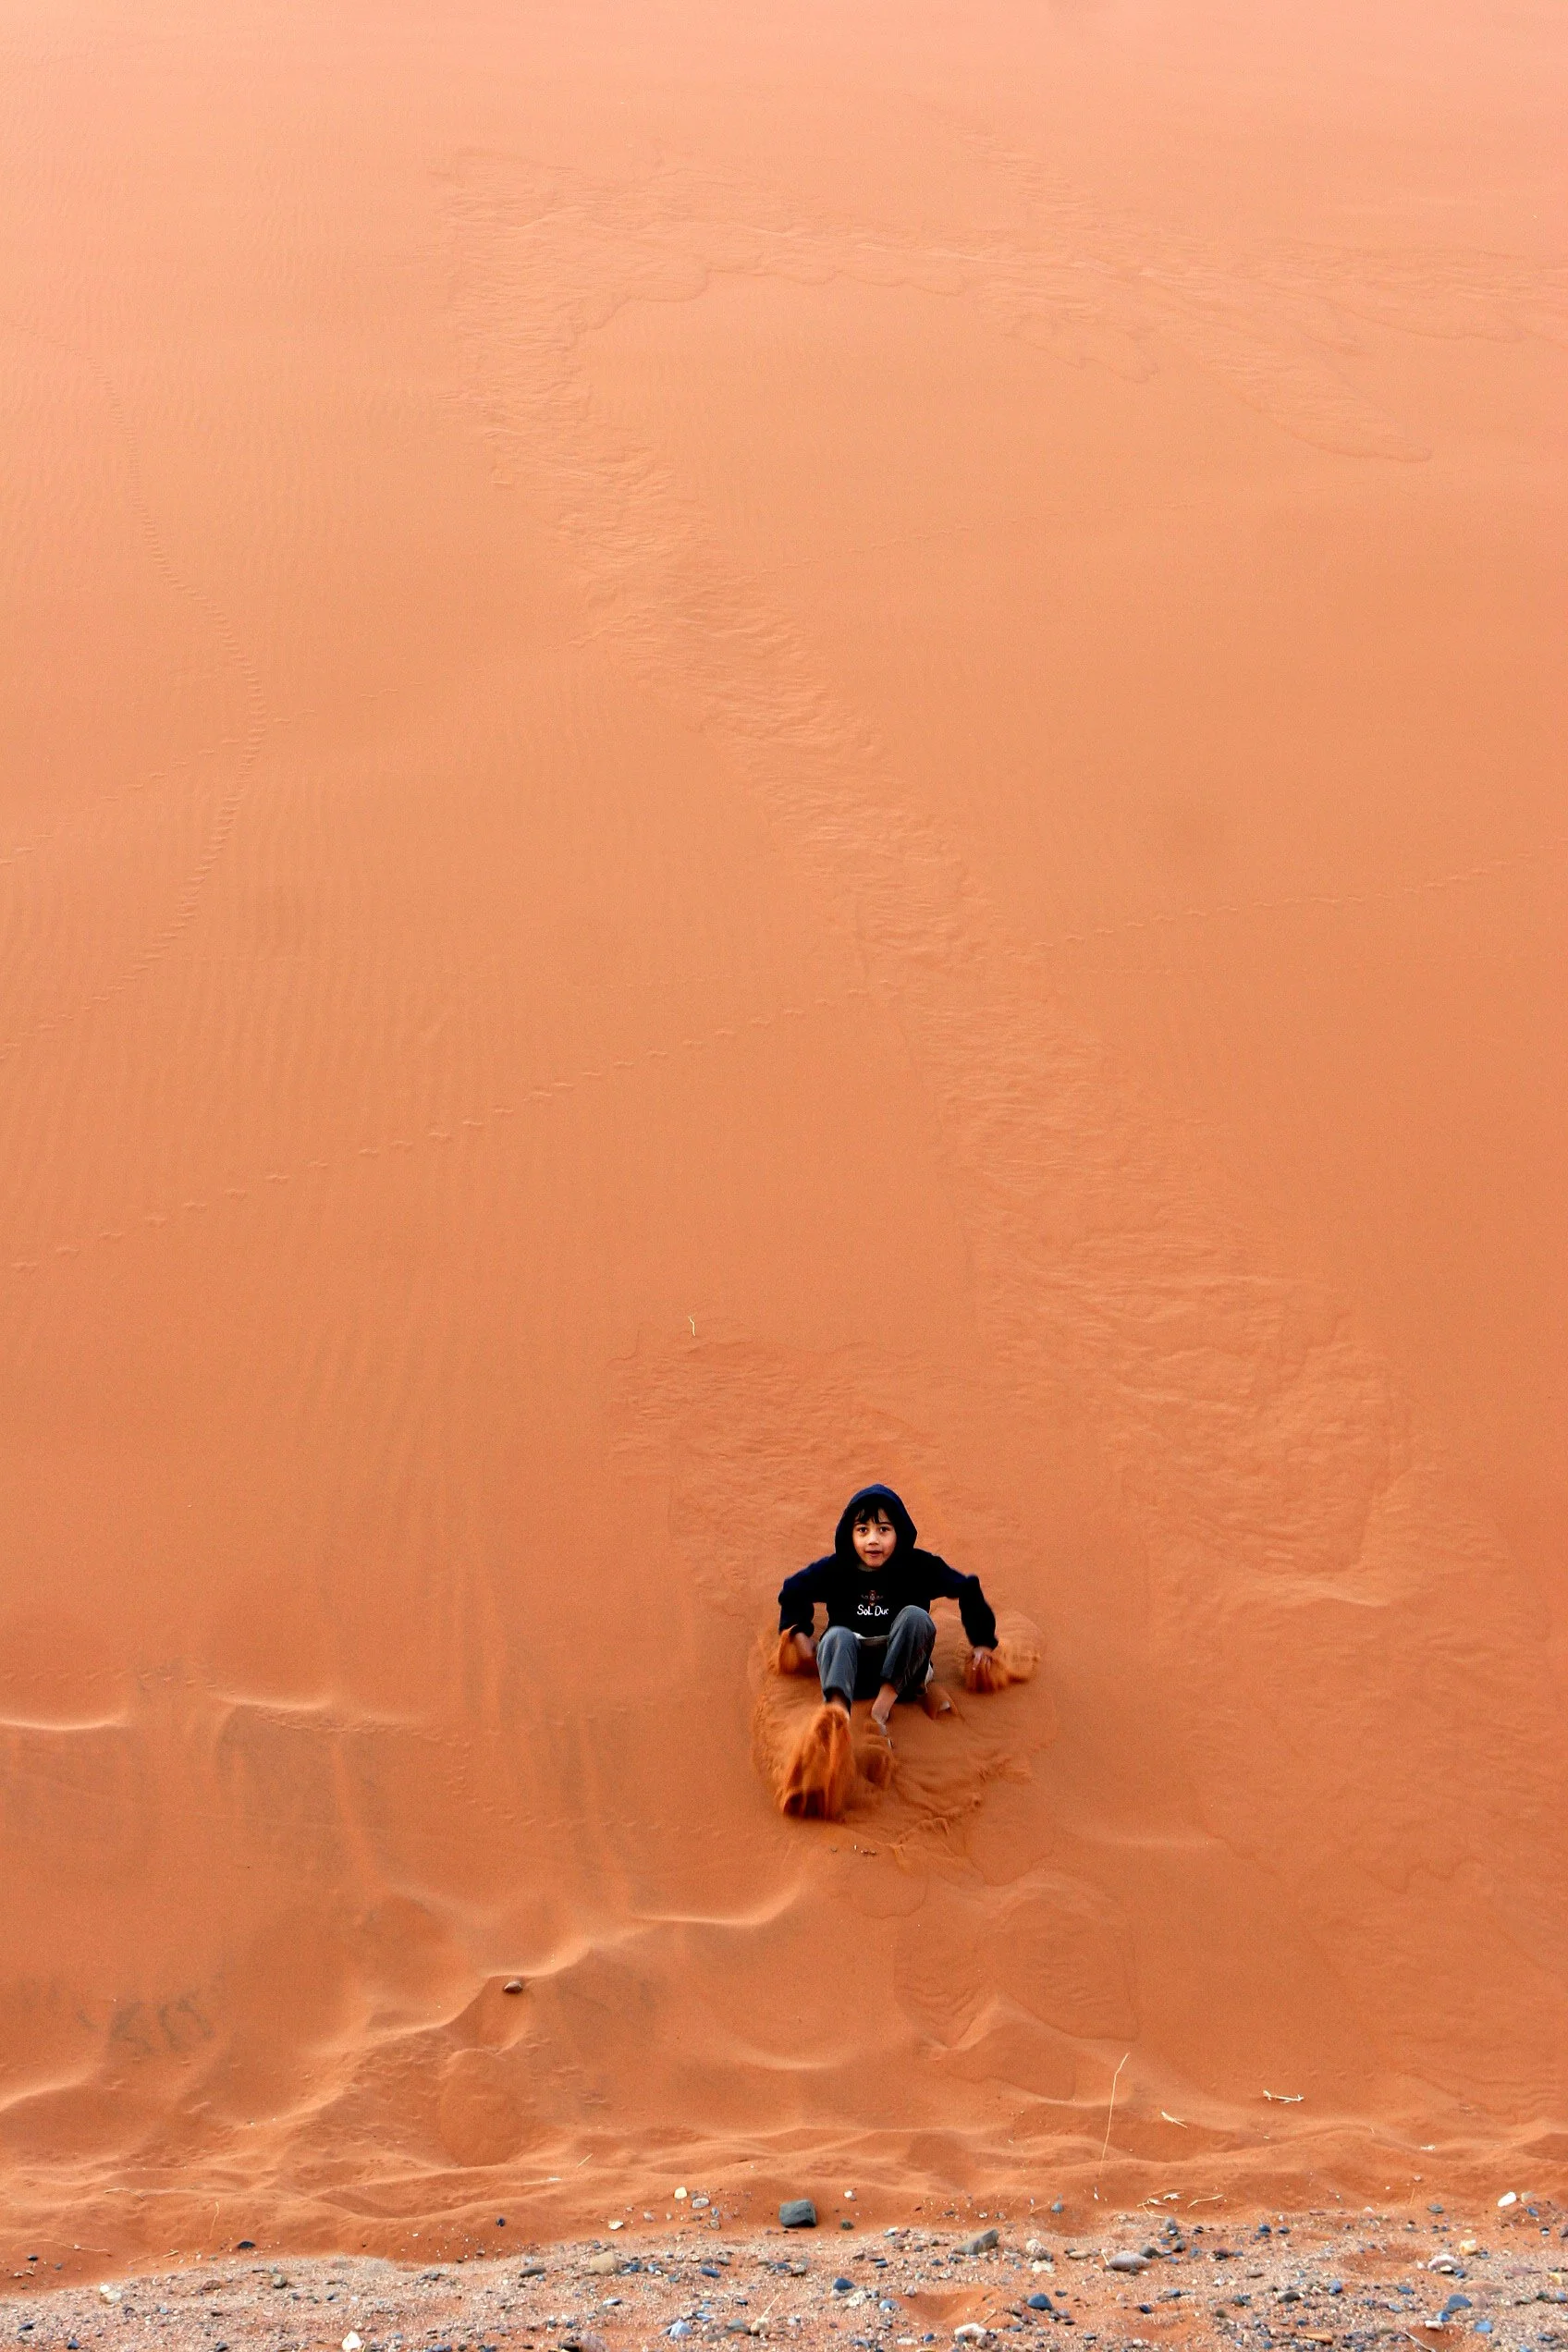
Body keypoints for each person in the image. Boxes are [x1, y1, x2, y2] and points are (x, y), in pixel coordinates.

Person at [776, 1483, 998, 1752]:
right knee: (836, 1636)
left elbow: (966, 1587)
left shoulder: (917, 1567)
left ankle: (879, 1713)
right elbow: (793, 1590)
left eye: (884, 1530)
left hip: (904, 1676)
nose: (873, 1540)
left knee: (916, 1618)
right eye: (863, 1530)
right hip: (850, 1676)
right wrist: (799, 1633)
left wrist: (983, 1642)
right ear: (850, 1535)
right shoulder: (837, 1569)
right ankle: (836, 1717)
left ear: (899, 1533)